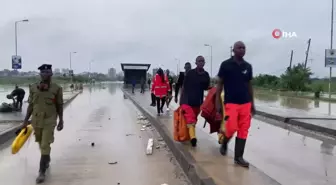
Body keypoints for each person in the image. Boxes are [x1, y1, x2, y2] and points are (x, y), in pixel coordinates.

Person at [17, 64, 64, 183]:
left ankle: (41, 172)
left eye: (47, 72)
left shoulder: (56, 88)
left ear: (51, 74)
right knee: (40, 142)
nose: (45, 74)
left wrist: (61, 120)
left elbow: (59, 105)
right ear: (40, 74)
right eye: (43, 72)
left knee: (44, 144)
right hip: (36, 121)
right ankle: (46, 159)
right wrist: (25, 121)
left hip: (50, 119)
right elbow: (31, 106)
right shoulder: (33, 88)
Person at [215, 41, 256, 168]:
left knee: (243, 130)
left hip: (246, 103)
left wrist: (252, 103)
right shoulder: (226, 65)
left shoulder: (248, 66)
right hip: (231, 103)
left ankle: (239, 157)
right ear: (233, 50)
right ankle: (225, 142)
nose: (242, 49)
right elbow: (220, 84)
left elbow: (249, 85)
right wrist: (217, 101)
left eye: (244, 48)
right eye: (239, 47)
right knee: (231, 127)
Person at [180, 56, 210, 147]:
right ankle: (193, 138)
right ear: (196, 63)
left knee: (193, 120)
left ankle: (188, 135)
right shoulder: (190, 73)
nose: (201, 62)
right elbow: (184, 86)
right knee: (190, 119)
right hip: (187, 101)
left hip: (198, 102)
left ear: (204, 63)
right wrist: (181, 99)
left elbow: (206, 87)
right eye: (199, 61)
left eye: (202, 61)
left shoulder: (206, 75)